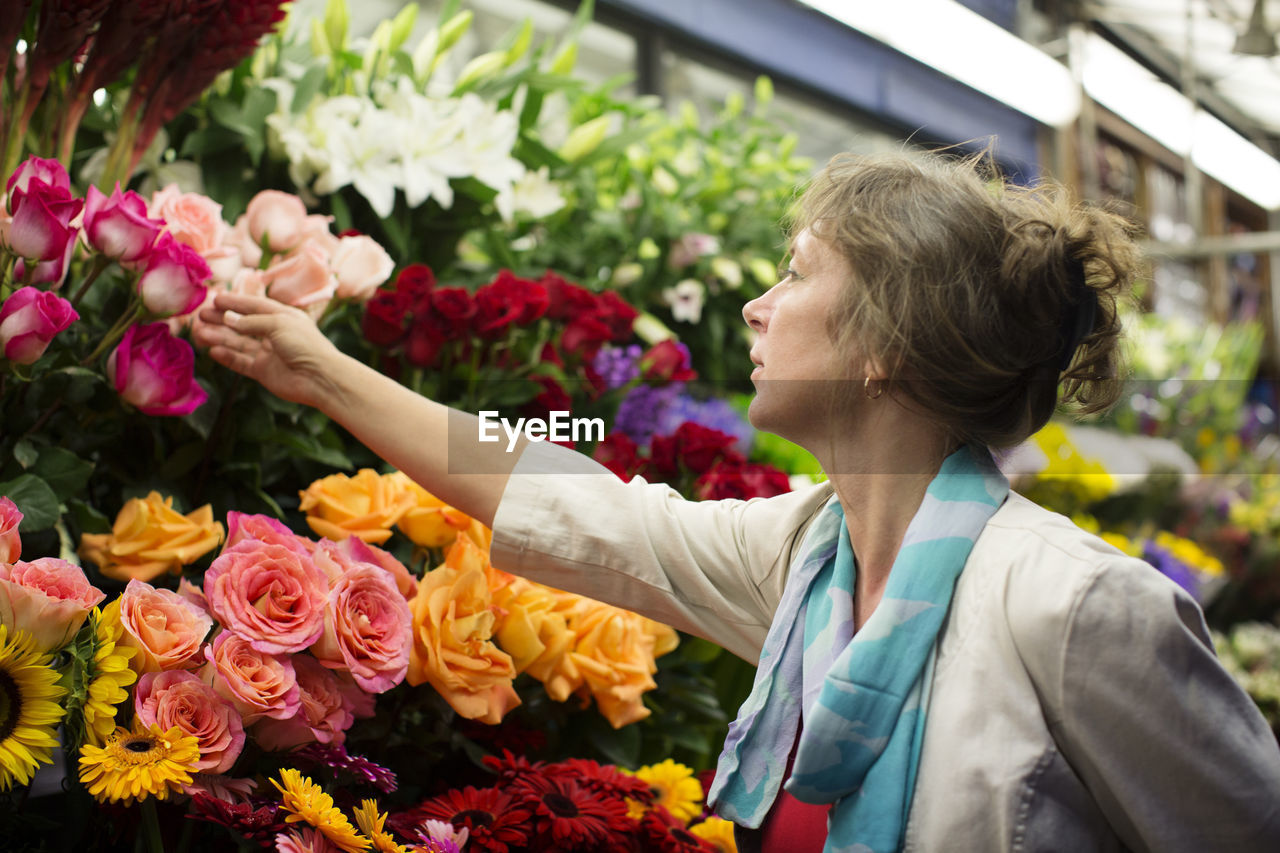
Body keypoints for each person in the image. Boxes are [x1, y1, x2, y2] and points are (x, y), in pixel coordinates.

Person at [194, 149, 1280, 853]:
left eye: (795, 275)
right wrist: (320, 373)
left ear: (884, 346)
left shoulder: (1079, 609)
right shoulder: (809, 560)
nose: (757, 309)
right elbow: (581, 507)